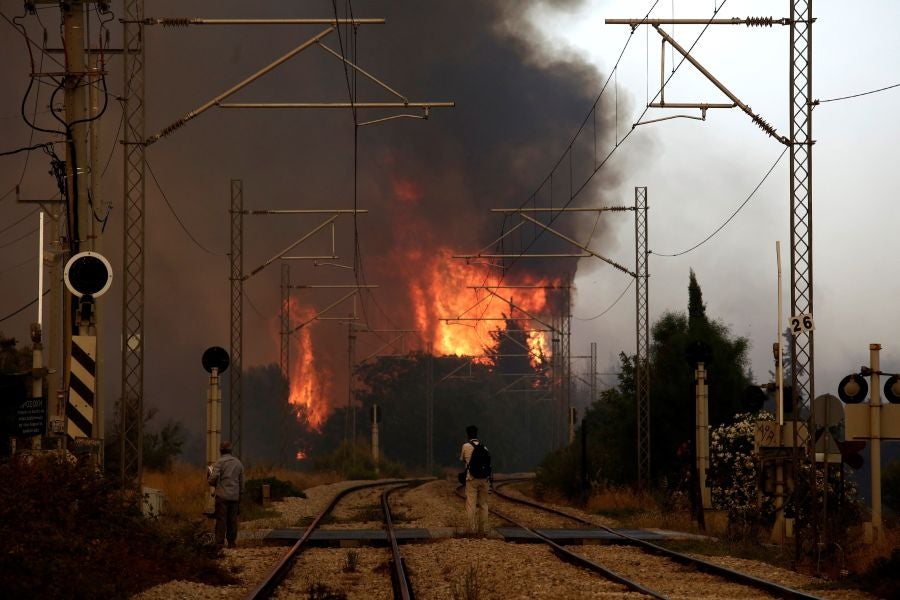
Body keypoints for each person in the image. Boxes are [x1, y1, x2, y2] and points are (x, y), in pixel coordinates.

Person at [207, 440, 244, 548]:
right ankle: (232, 542)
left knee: (221, 519)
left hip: (222, 495)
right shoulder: (238, 463)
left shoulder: (219, 462)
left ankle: (219, 542)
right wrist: (240, 494)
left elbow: (213, 478)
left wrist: (210, 481)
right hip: (234, 497)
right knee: (232, 520)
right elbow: (242, 481)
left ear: (220, 451)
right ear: (231, 450)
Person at [459, 425, 490, 535]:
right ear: (477, 434)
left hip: (471, 478)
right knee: (483, 504)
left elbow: (462, 459)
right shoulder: (484, 447)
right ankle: (483, 529)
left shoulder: (465, 446)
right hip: (484, 479)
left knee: (471, 503)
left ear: (468, 435)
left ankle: (471, 529)